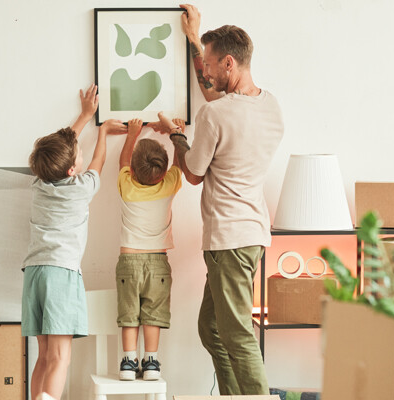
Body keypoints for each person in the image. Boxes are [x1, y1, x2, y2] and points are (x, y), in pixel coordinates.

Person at [172, 4, 285, 395]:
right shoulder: (271, 107)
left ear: (230, 63)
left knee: (236, 335)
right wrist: (194, 37)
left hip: (228, 239)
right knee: (211, 327)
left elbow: (191, 173)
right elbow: (215, 97)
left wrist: (175, 138)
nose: (205, 70)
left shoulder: (214, 117)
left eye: (210, 63)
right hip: (252, 235)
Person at [21, 84, 126, 399]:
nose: (82, 152)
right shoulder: (82, 188)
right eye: (78, 153)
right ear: (71, 169)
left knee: (43, 356)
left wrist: (84, 116)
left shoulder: (38, 185)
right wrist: (103, 132)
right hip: (61, 274)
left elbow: (64, 147)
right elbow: (99, 162)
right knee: (61, 358)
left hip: (34, 274)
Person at [114, 114, 185, 381]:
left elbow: (122, 161)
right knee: (153, 315)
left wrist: (132, 134)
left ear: (132, 171)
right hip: (158, 263)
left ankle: (129, 362)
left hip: (128, 261)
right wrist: (176, 132)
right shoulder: (169, 185)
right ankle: (152, 362)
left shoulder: (126, 186)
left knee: (129, 314)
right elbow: (179, 164)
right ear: (163, 172)